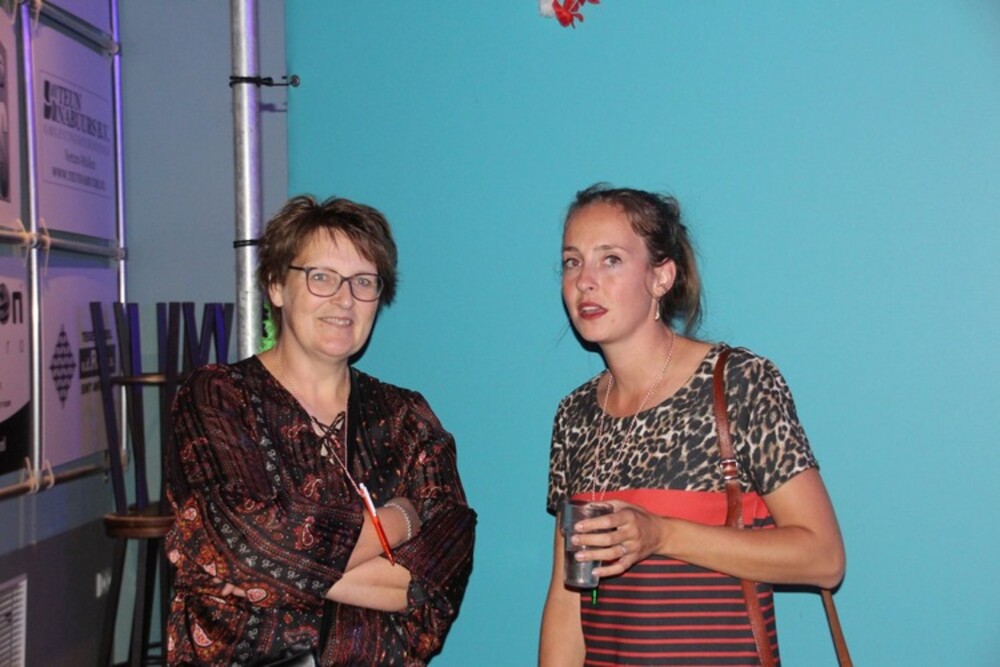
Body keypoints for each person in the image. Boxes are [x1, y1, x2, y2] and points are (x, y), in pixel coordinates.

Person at [539, 184, 845, 666]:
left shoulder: (739, 383)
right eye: (572, 262)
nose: (585, 282)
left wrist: (662, 534)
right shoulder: (575, 414)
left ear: (661, 277)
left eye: (611, 259)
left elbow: (824, 558)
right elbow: (565, 600)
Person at [164, 195, 476, 665]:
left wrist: (268, 571)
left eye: (363, 281)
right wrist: (399, 520)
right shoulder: (217, 396)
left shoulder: (406, 419)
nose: (344, 299)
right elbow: (241, 546)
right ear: (275, 285)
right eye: (321, 277)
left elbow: (437, 576)